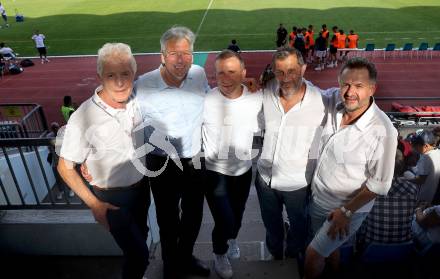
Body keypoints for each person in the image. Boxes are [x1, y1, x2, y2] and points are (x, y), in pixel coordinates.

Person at [56, 42, 150, 279]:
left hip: (141, 189)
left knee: (142, 237)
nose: (119, 82)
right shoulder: (83, 117)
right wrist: (95, 205)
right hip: (111, 198)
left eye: (125, 74)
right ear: (100, 76)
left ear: (134, 74)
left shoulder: (138, 98)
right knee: (140, 254)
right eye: (111, 75)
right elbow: (65, 167)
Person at [304, 57, 398, 279]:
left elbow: (380, 185)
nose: (349, 92)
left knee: (313, 255)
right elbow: (306, 89)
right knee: (330, 249)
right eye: (345, 84)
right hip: (319, 199)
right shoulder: (336, 104)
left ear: (372, 88)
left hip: (346, 209)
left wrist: (346, 212)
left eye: (358, 86)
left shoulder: (383, 130)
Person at [134, 26, 210, 279]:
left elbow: (210, 101)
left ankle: (185, 257)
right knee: (167, 220)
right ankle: (170, 265)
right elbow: (120, 114)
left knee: (194, 216)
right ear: (162, 56)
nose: (181, 59)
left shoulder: (199, 74)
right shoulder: (144, 85)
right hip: (162, 162)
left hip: (195, 158)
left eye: (187, 53)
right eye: (174, 53)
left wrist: (240, 92)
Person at [256, 47, 328, 261]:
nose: (285, 78)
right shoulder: (267, 89)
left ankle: (293, 254)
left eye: (292, 71)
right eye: (280, 72)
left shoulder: (321, 100)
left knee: (299, 225)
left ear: (303, 69)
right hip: (265, 178)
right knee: (271, 225)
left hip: (297, 182)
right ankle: (276, 254)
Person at [203, 50, 263, 279]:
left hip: (243, 170)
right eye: (220, 73)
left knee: (237, 216)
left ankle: (232, 239)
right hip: (214, 172)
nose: (226, 78)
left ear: (244, 73)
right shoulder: (205, 100)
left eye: (232, 72)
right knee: (224, 219)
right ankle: (220, 253)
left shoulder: (257, 98)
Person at [358, 149, 419, 245]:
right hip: (403, 247)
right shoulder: (412, 189)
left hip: (370, 247)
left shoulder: (366, 190)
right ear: (401, 166)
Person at [411, 130, 440, 203]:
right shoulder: (437, 152)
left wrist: (405, 180)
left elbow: (420, 180)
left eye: (416, 146)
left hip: (424, 197)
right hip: (435, 196)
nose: (414, 148)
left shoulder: (425, 157)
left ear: (426, 146)